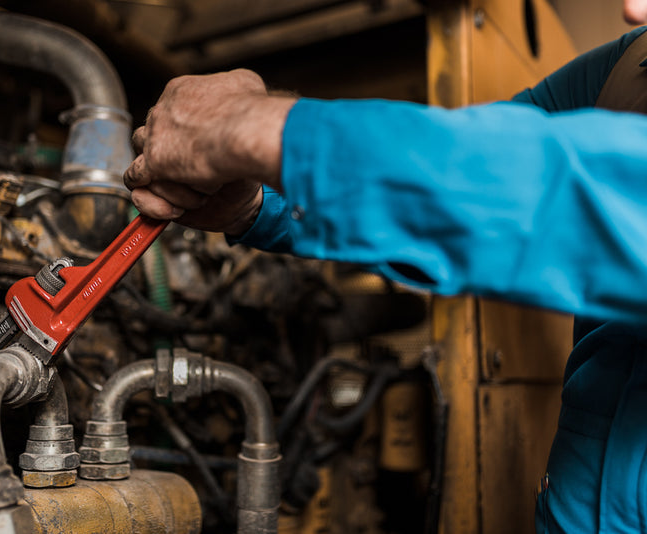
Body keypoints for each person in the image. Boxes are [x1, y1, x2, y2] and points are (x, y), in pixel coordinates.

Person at [124, 2, 647, 532]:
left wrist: (253, 128)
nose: (630, 6)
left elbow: (567, 193)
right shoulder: (632, 66)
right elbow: (459, 162)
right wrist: (258, 200)